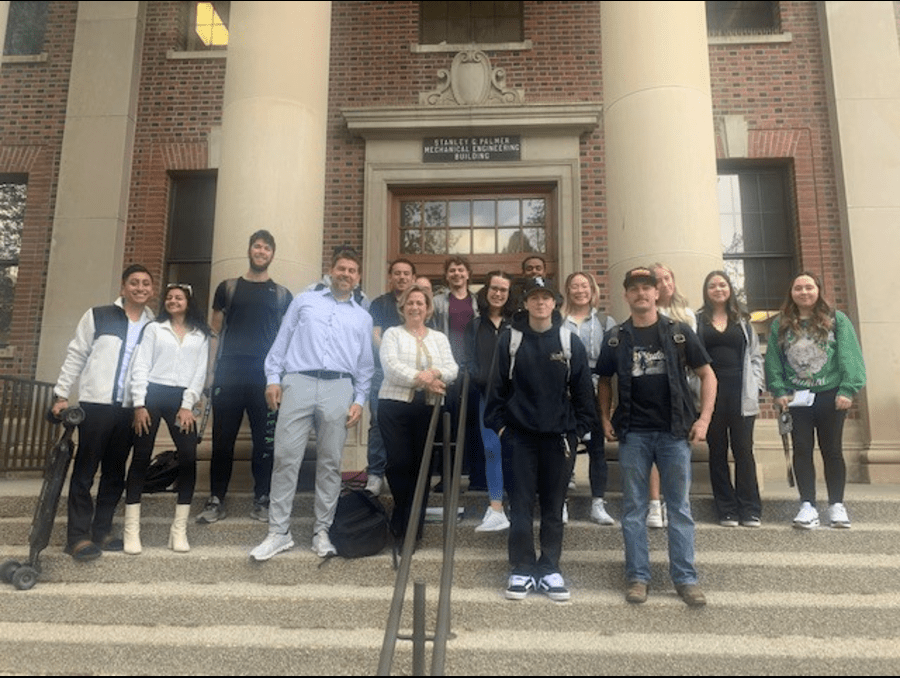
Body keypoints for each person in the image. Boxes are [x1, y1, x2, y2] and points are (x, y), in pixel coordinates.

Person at [596, 266, 716, 607]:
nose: (641, 294)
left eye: (647, 288)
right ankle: (637, 577)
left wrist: (704, 419)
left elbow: (708, 375)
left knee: (679, 508)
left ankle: (686, 578)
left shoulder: (679, 333)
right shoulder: (616, 337)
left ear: (657, 293)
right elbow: (604, 380)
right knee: (633, 508)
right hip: (633, 433)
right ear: (626, 295)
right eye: (634, 289)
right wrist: (605, 417)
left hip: (674, 433)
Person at [250, 248, 374, 561]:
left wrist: (359, 399)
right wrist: (272, 379)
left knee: (331, 462)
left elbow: (365, 366)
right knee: (286, 457)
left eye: (352, 270)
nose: (346, 274)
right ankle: (279, 532)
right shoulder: (304, 301)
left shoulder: (363, 317)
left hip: (339, 387)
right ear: (331, 271)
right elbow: (282, 340)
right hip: (299, 381)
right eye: (341, 268)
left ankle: (323, 531)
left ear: (358, 277)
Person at [485, 276, 597, 602]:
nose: (540, 303)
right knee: (519, 507)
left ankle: (549, 568)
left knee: (553, 507)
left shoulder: (568, 341)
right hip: (518, 438)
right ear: (526, 303)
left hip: (558, 440)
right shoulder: (510, 340)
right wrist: (504, 430)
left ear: (554, 303)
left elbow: (583, 397)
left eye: (546, 298)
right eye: (534, 297)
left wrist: (575, 432)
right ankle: (521, 567)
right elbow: (495, 395)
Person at [51, 265, 155, 561]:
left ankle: (102, 530)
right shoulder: (98, 315)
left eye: (146, 283)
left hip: (129, 409)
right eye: (133, 283)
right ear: (123, 288)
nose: (140, 287)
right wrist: (61, 394)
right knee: (85, 471)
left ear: (151, 290)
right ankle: (77, 537)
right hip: (96, 405)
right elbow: (76, 354)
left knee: (114, 472)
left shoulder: (153, 325)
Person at [196, 230, 293, 525]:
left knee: (265, 443)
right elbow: (214, 333)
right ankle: (216, 500)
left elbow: (288, 340)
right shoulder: (228, 288)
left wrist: (282, 379)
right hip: (229, 373)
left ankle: (262, 499)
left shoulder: (282, 295)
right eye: (257, 246)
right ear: (249, 250)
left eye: (266, 248)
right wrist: (210, 373)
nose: (261, 251)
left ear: (272, 254)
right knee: (222, 442)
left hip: (265, 379)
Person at [764, 271, 866, 529]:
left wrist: (847, 389)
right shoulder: (781, 323)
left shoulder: (836, 320)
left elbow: (850, 354)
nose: (804, 292)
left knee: (832, 450)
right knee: (802, 449)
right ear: (792, 293)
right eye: (798, 288)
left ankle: (836, 505)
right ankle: (807, 505)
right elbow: (774, 360)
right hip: (797, 397)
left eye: (809, 287)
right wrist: (778, 391)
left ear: (818, 290)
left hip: (831, 395)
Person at [124, 283, 210, 554]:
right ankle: (131, 531)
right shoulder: (154, 329)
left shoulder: (200, 335)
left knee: (187, 456)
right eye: (170, 298)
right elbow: (140, 365)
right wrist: (139, 403)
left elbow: (199, 373)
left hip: (181, 400)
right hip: (151, 395)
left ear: (188, 302)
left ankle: (178, 530)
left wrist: (187, 405)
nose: (173, 301)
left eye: (179, 297)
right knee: (141, 455)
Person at [379, 283, 458, 544]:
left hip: (428, 410)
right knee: (398, 463)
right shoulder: (392, 334)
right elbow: (391, 367)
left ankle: (414, 530)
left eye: (420, 303)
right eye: (410, 303)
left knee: (422, 469)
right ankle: (402, 516)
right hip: (394, 406)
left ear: (427, 309)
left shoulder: (439, 338)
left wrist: (435, 374)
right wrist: (423, 379)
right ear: (402, 307)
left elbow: (452, 368)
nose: (415, 307)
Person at [696, 270, 764, 527]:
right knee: (717, 452)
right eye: (712, 285)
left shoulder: (743, 321)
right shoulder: (698, 320)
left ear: (729, 289)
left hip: (741, 394)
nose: (718, 289)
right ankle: (725, 509)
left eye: (722, 284)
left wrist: (756, 386)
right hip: (710, 395)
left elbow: (756, 357)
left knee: (744, 450)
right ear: (706, 291)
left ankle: (750, 509)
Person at [645, 262, 699, 529]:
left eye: (668, 278)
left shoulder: (687, 315)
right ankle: (654, 503)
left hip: (681, 391)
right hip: (653, 389)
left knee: (676, 449)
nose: (665, 283)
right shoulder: (646, 313)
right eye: (659, 280)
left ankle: (674, 501)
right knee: (652, 447)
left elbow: (694, 356)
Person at [561, 271, 617, 526]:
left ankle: (597, 503)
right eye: (574, 286)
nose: (580, 290)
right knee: (564, 447)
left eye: (584, 285)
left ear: (592, 290)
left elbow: (612, 363)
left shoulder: (606, 322)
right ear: (568, 291)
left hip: (595, 388)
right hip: (565, 389)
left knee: (596, 448)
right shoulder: (558, 320)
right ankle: (559, 502)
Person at [464, 271, 514, 532]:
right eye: (494, 288)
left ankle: (518, 504)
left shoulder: (517, 323)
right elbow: (469, 360)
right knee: (492, 449)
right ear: (486, 292)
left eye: (503, 290)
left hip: (515, 398)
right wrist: (480, 378)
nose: (498, 294)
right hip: (487, 397)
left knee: (516, 450)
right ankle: (496, 509)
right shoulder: (475, 324)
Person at [432, 256, 484, 492]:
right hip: (447, 369)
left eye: (461, 270)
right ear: (446, 275)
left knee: (474, 425)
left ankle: (477, 478)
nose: (456, 274)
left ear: (468, 274)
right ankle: (447, 478)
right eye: (452, 270)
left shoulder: (478, 302)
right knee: (447, 426)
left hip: (472, 369)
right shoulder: (437, 302)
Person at [364, 258, 416, 496]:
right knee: (378, 424)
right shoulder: (380, 303)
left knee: (408, 426)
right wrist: (393, 358)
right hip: (382, 373)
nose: (402, 277)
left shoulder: (417, 304)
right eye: (397, 273)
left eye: (406, 274)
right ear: (390, 277)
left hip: (412, 376)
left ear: (413, 278)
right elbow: (376, 335)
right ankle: (375, 474)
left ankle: (404, 473)